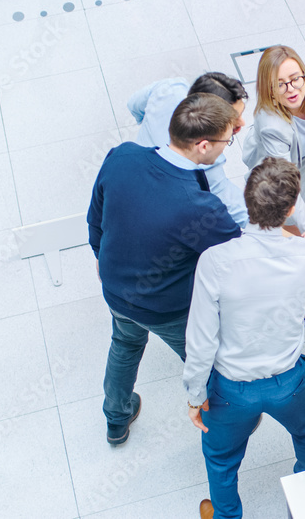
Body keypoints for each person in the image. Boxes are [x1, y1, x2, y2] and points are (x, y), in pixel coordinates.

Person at [183, 157, 305, 519]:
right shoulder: (304, 253)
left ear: (246, 199)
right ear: (289, 208)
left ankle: (226, 514)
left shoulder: (215, 260)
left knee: (221, 459)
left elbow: (202, 339)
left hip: (232, 389)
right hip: (289, 381)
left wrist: (195, 394)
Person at [87, 93, 242, 446]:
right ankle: (223, 419)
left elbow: (95, 215)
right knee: (207, 362)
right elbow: (239, 257)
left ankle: (116, 417)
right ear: (203, 146)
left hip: (115, 291)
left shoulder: (122, 155)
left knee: (124, 345)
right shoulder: (200, 208)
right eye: (226, 141)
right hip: (169, 310)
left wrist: (102, 256)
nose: (226, 148)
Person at [127, 72, 250, 227]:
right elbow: (235, 208)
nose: (242, 123)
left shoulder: (171, 87)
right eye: (233, 120)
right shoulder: (206, 161)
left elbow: (133, 105)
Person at [241, 45, 305, 230]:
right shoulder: (273, 128)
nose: (291, 88)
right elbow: (286, 185)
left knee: (301, 194)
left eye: (295, 79)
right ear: (269, 90)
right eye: (279, 84)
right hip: (279, 168)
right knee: (287, 215)